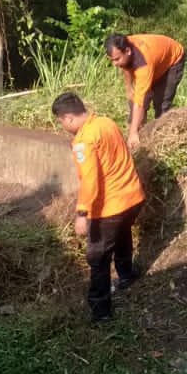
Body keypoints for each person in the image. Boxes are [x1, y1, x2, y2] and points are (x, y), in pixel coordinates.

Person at [52, 92, 145, 322]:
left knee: (98, 257)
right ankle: (126, 274)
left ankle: (100, 310)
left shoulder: (84, 141)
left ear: (68, 118)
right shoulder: (106, 122)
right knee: (122, 233)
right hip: (132, 197)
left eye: (61, 122)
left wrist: (82, 213)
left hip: (110, 205)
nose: (63, 126)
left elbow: (90, 180)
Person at [104, 33, 187, 150]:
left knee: (161, 104)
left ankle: (161, 142)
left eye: (117, 59)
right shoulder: (125, 46)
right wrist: (129, 88)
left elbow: (140, 102)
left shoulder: (143, 63)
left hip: (172, 61)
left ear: (127, 51)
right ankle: (139, 137)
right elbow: (126, 66)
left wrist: (133, 132)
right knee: (134, 101)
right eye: (112, 60)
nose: (115, 64)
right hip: (155, 61)